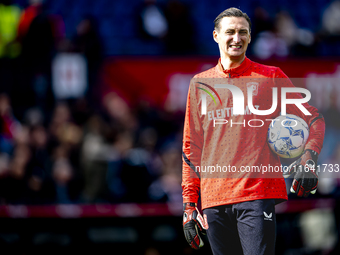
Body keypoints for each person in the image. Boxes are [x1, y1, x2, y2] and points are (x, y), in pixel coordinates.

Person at [181, 7, 325, 255]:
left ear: (250, 37)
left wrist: (309, 157)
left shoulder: (270, 77)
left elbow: (314, 118)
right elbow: (191, 148)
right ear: (216, 35)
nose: (236, 38)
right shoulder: (199, 84)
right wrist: (189, 204)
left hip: (256, 195)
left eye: (242, 33)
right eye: (230, 32)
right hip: (213, 200)